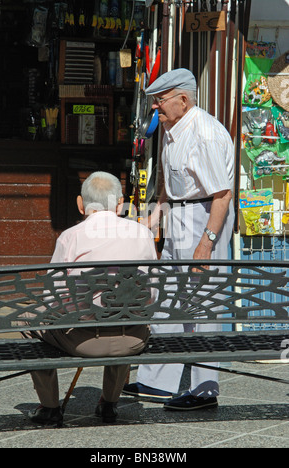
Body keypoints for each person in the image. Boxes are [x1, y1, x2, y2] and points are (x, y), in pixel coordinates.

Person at [123, 68, 235, 411]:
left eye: (160, 101)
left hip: (205, 214)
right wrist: (154, 218)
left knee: (203, 304)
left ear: (183, 100)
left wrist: (207, 243)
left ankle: (204, 391)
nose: (156, 108)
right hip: (181, 213)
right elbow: (166, 180)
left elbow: (222, 195)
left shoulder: (205, 134)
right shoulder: (172, 128)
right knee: (169, 295)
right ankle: (156, 381)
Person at [25, 171, 158, 426]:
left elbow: (52, 298)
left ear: (80, 204)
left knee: (29, 320)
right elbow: (151, 295)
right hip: (132, 339)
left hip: (83, 341)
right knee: (125, 311)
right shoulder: (142, 233)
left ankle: (50, 407)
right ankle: (109, 404)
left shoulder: (71, 237)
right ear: (120, 204)